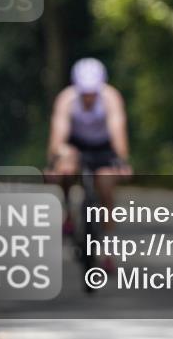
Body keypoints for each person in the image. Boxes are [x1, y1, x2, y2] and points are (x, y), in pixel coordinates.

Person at [45, 58, 132, 270]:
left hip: (103, 147)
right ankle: (68, 209)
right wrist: (54, 161)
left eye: (92, 92)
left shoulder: (111, 97)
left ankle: (108, 248)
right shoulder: (66, 99)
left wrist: (121, 160)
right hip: (76, 145)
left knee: (105, 185)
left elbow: (117, 128)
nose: (89, 97)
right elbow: (59, 133)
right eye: (85, 92)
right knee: (65, 167)